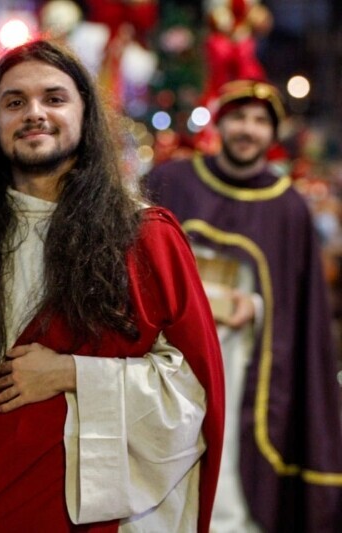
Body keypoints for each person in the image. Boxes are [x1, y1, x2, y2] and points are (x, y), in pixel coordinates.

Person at [0, 39, 225, 532]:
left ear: (85, 114)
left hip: (87, 519)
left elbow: (195, 394)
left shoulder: (145, 238)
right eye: (14, 102)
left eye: (54, 98)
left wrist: (72, 373)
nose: (34, 113)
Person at [144, 79, 342, 532]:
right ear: (220, 122)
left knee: (230, 484)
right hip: (172, 362)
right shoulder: (171, 181)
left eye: (259, 121)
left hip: (244, 370)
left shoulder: (287, 207)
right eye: (238, 118)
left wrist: (256, 307)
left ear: (273, 133)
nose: (247, 130)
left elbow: (299, 310)